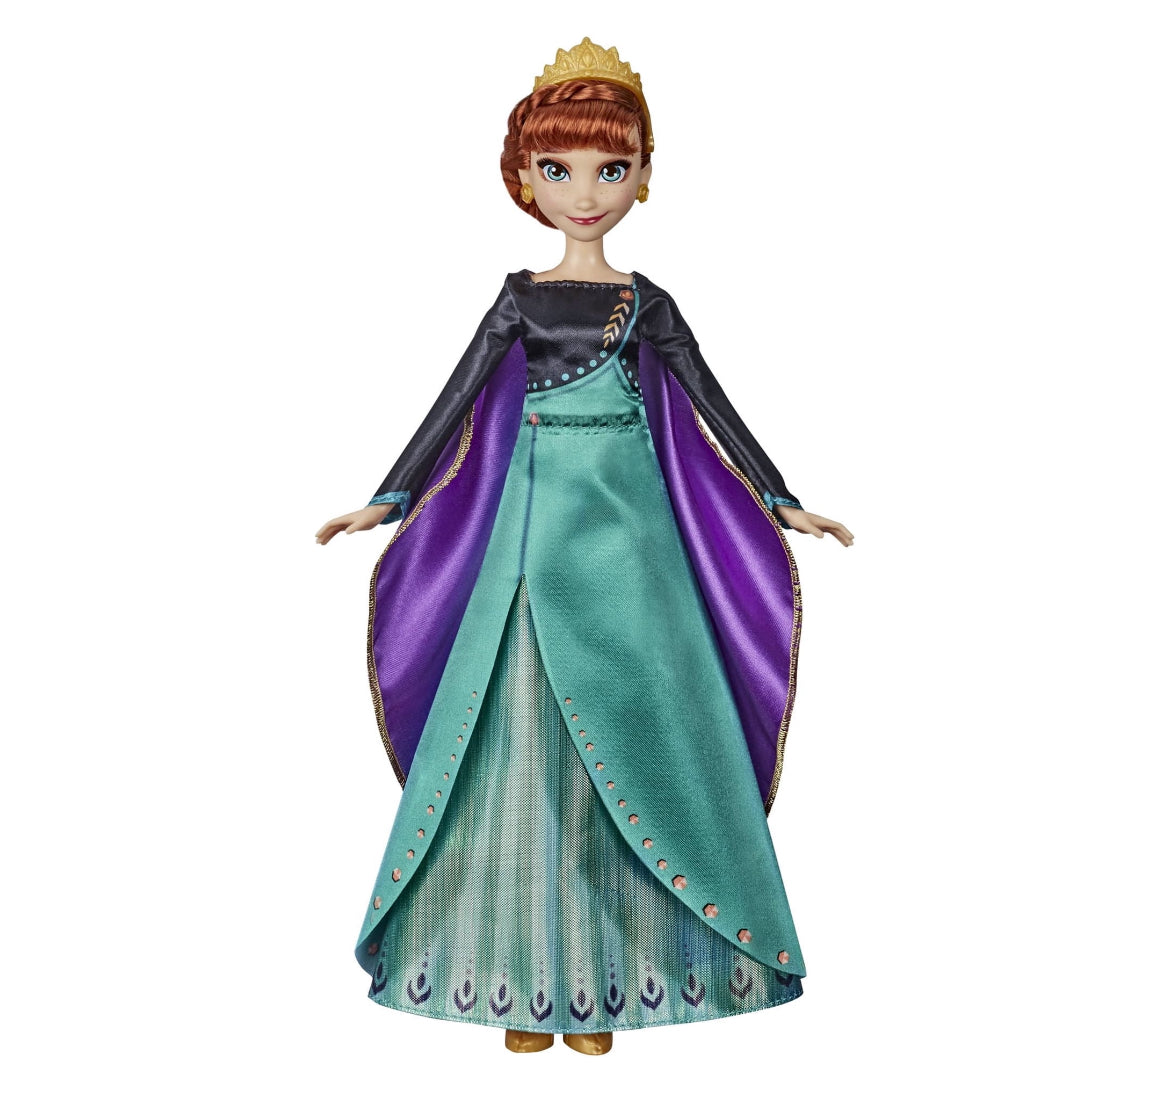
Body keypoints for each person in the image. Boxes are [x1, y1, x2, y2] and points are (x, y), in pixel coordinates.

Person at [316, 37, 853, 1056]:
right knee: (514, 751)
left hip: (630, 542)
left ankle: (605, 988)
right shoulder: (519, 297)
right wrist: (389, 496)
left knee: (639, 737)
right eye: (559, 170)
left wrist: (781, 500)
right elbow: (455, 400)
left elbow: (711, 406)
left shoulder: (647, 304)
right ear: (525, 178)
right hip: (527, 545)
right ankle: (523, 987)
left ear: (644, 176)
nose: (585, 193)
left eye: (611, 170)